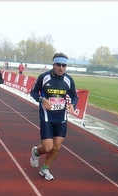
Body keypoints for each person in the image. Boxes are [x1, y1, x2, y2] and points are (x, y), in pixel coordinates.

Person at [29, 52, 78, 180]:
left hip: (61, 118)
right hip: (47, 117)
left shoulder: (68, 80)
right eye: (58, 65)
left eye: (64, 65)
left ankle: (45, 168)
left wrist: (73, 105)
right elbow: (33, 92)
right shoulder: (44, 77)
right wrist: (42, 99)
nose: (61, 68)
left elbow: (74, 96)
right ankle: (36, 152)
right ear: (53, 64)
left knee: (56, 147)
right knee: (47, 147)